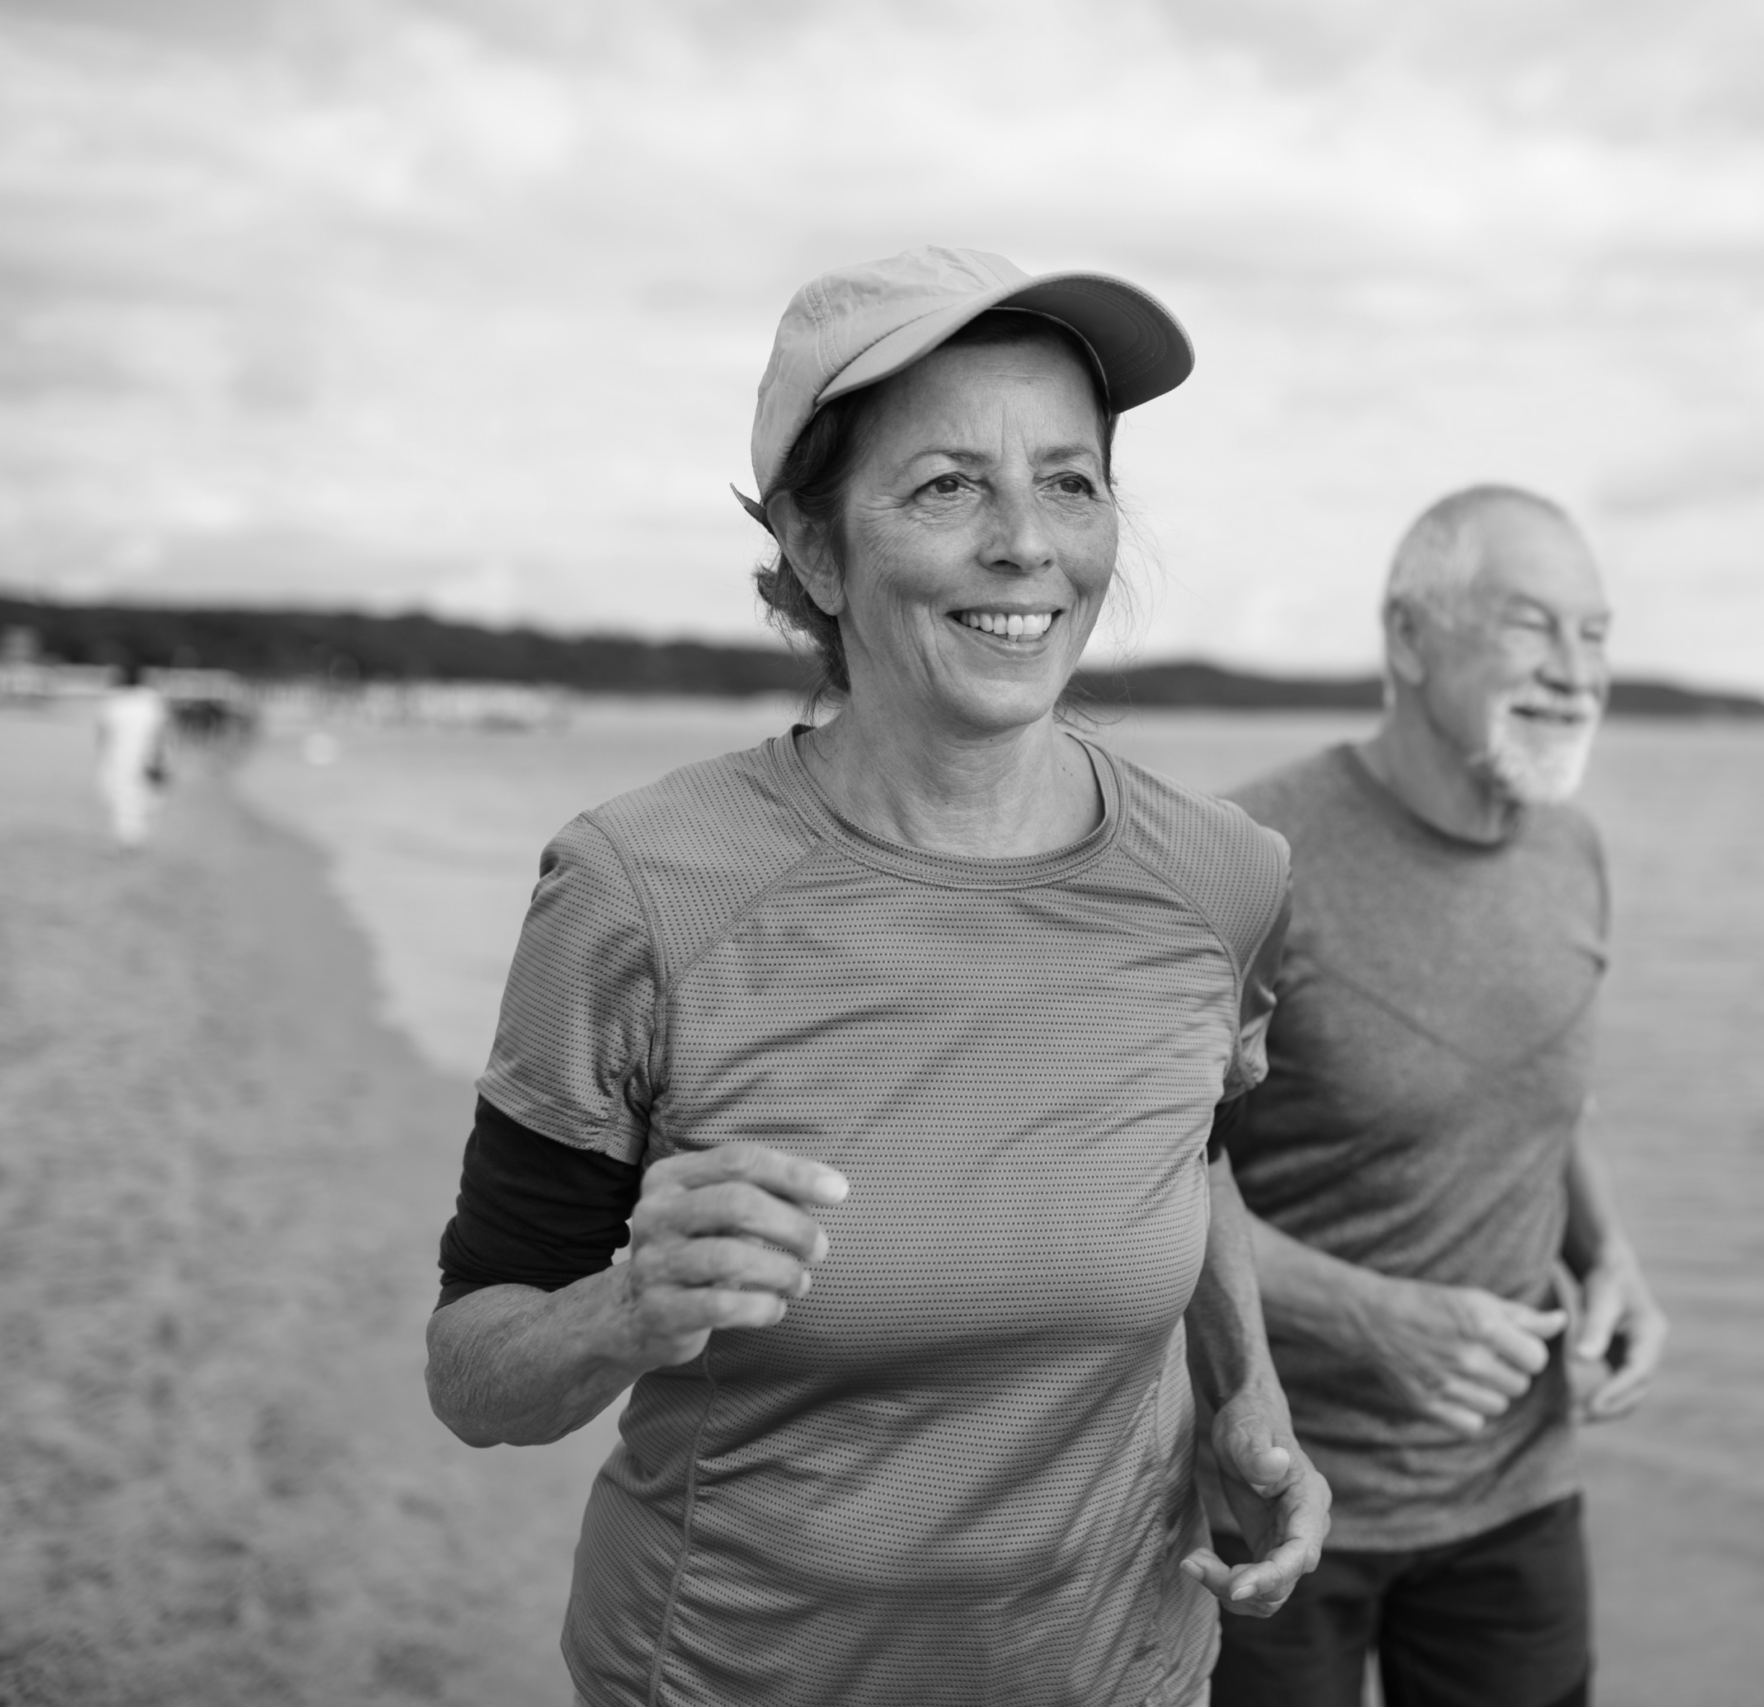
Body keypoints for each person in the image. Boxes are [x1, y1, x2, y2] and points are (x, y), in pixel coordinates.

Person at [424, 247, 1328, 1707]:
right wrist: (624, 1309)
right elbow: (470, 1370)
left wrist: (1248, 1395)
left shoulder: (1223, 877)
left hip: (1129, 1672)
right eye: (948, 485)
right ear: (818, 551)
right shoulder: (640, 888)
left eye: (1073, 481)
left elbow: (1190, 1149)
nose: (1028, 543)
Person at [1207, 487, 1669, 1707]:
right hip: (1275, 1494)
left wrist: (1610, 1253)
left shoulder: (1572, 851)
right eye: (1532, 626)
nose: (1576, 673)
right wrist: (1370, 1317)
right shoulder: (1247, 860)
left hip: (1518, 1500)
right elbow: (1132, 1188)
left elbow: (1542, 1096)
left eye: (1597, 634)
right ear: (1407, 638)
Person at [94, 661, 169, 849]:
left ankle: (127, 839)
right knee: (143, 798)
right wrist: (160, 758)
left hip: (119, 756)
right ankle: (135, 838)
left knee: (121, 798)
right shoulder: (151, 699)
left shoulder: (112, 701)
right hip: (147, 756)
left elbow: (102, 735)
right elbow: (161, 733)